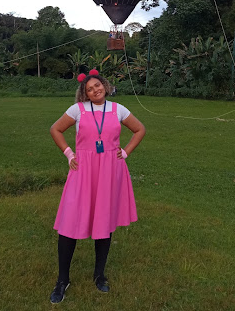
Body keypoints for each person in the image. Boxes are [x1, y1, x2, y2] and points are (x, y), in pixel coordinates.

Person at [49, 69, 146, 304]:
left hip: (110, 171)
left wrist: (125, 152)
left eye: (98, 86)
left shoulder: (118, 109)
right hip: (83, 171)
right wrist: (69, 154)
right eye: (90, 89)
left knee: (105, 221)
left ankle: (99, 274)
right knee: (69, 223)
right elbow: (55, 129)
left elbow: (139, 129)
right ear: (85, 94)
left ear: (105, 85)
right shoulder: (78, 110)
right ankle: (62, 280)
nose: (95, 90)